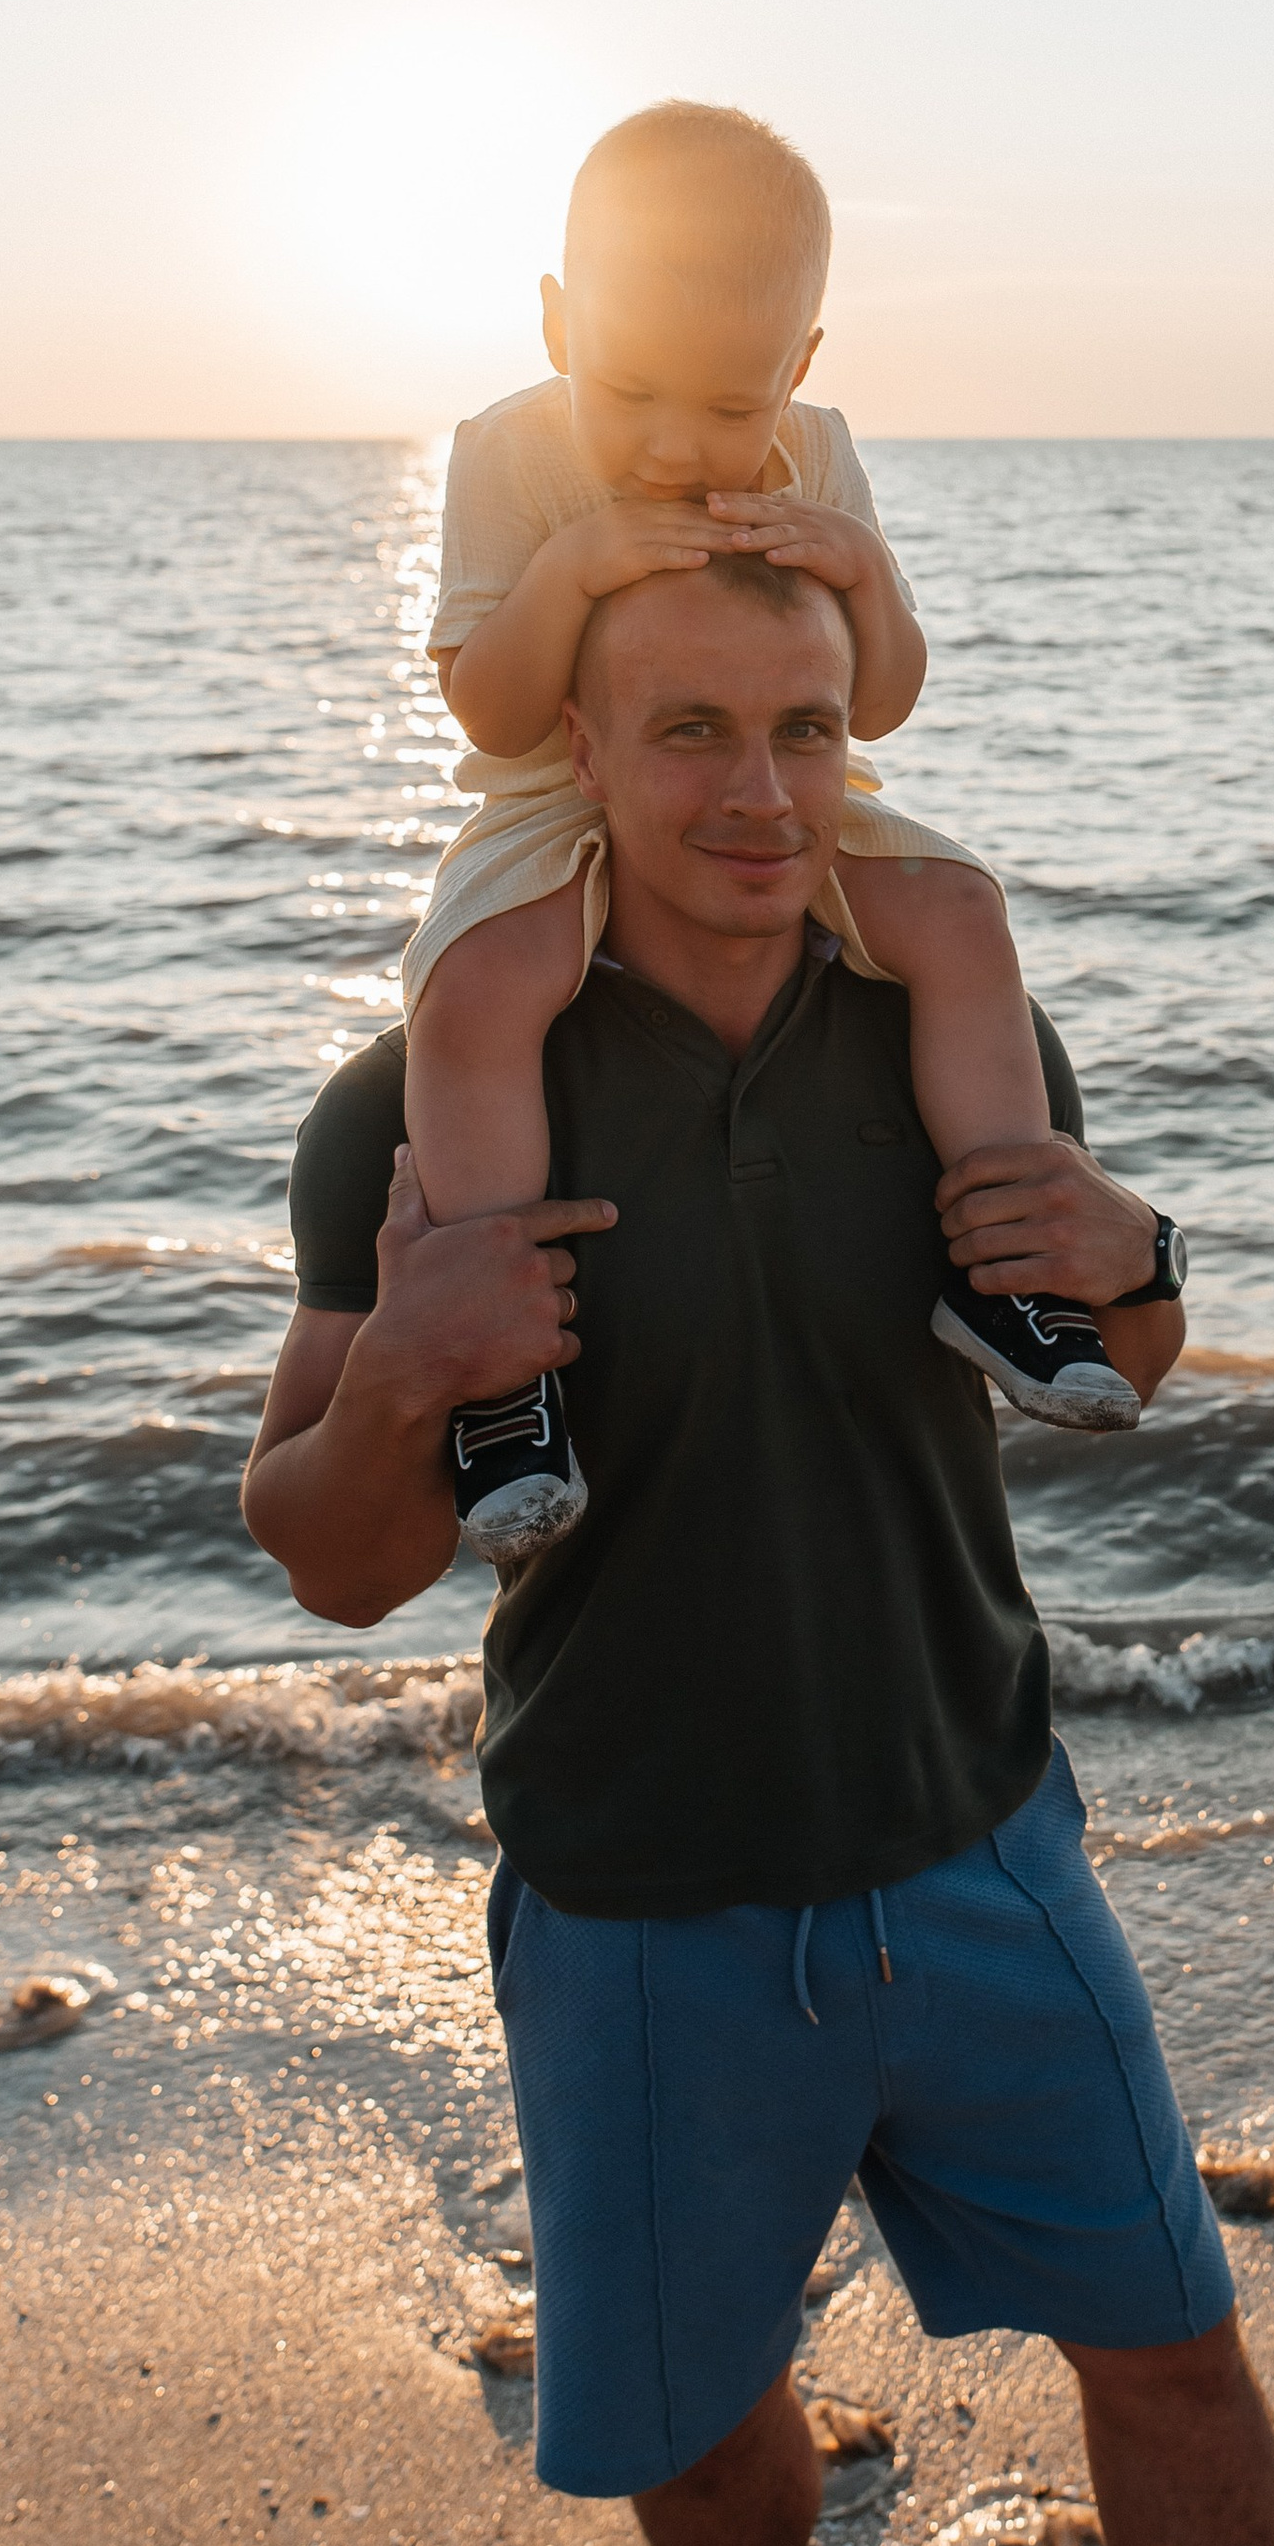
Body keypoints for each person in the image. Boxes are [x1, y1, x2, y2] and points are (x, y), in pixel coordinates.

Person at [240, 548, 1274, 2546]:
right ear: (580, 768)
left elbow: (1111, 1355)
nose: (758, 791)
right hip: (636, 1879)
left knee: (1169, 2344)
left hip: (977, 1827)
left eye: (804, 731)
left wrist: (1145, 1255)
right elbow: (329, 1559)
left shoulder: (951, 1013)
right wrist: (406, 1368)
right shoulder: (420, 1094)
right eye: (691, 734)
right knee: (703, 2399)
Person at [407, 96, 1137, 1566]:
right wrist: (573, 570)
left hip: (787, 795)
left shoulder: (816, 453)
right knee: (477, 986)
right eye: (635, 395)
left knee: (961, 915)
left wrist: (861, 574)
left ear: (797, 370)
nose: (682, 450)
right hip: (552, 803)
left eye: (733, 410)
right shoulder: (505, 454)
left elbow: (884, 700)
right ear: (556, 324)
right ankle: (506, 1383)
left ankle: (1009, 1276)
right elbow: (489, 711)